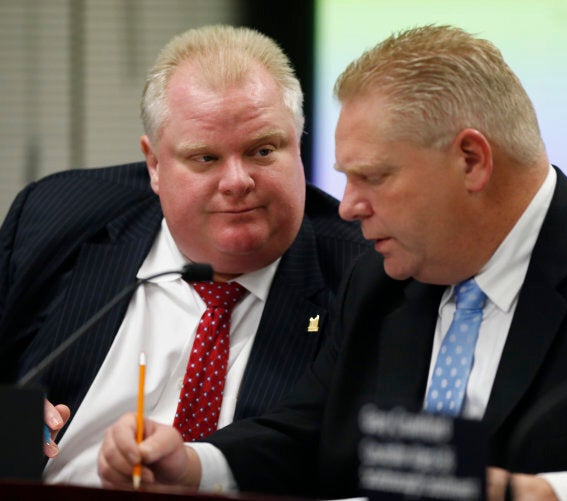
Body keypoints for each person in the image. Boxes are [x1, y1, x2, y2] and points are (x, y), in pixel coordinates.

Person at [97, 24, 567, 500]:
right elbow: (307, 433)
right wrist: (192, 465)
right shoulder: (382, 279)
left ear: (470, 161)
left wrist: (545, 494)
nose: (348, 206)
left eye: (372, 177)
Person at [0, 24, 368, 486]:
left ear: (299, 143)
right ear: (154, 164)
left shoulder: (366, 274)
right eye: (206, 158)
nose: (237, 181)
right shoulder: (57, 218)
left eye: (262, 150)